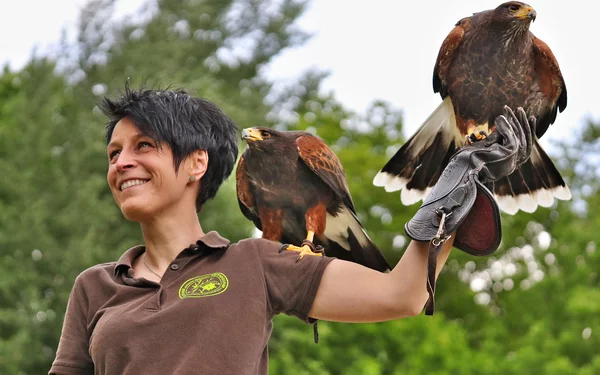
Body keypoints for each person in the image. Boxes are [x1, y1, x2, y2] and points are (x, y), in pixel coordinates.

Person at [49, 87, 534, 375]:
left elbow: (402, 295)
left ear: (197, 163)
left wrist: (451, 197)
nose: (123, 162)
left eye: (144, 145)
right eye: (114, 153)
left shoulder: (254, 262)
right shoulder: (95, 286)